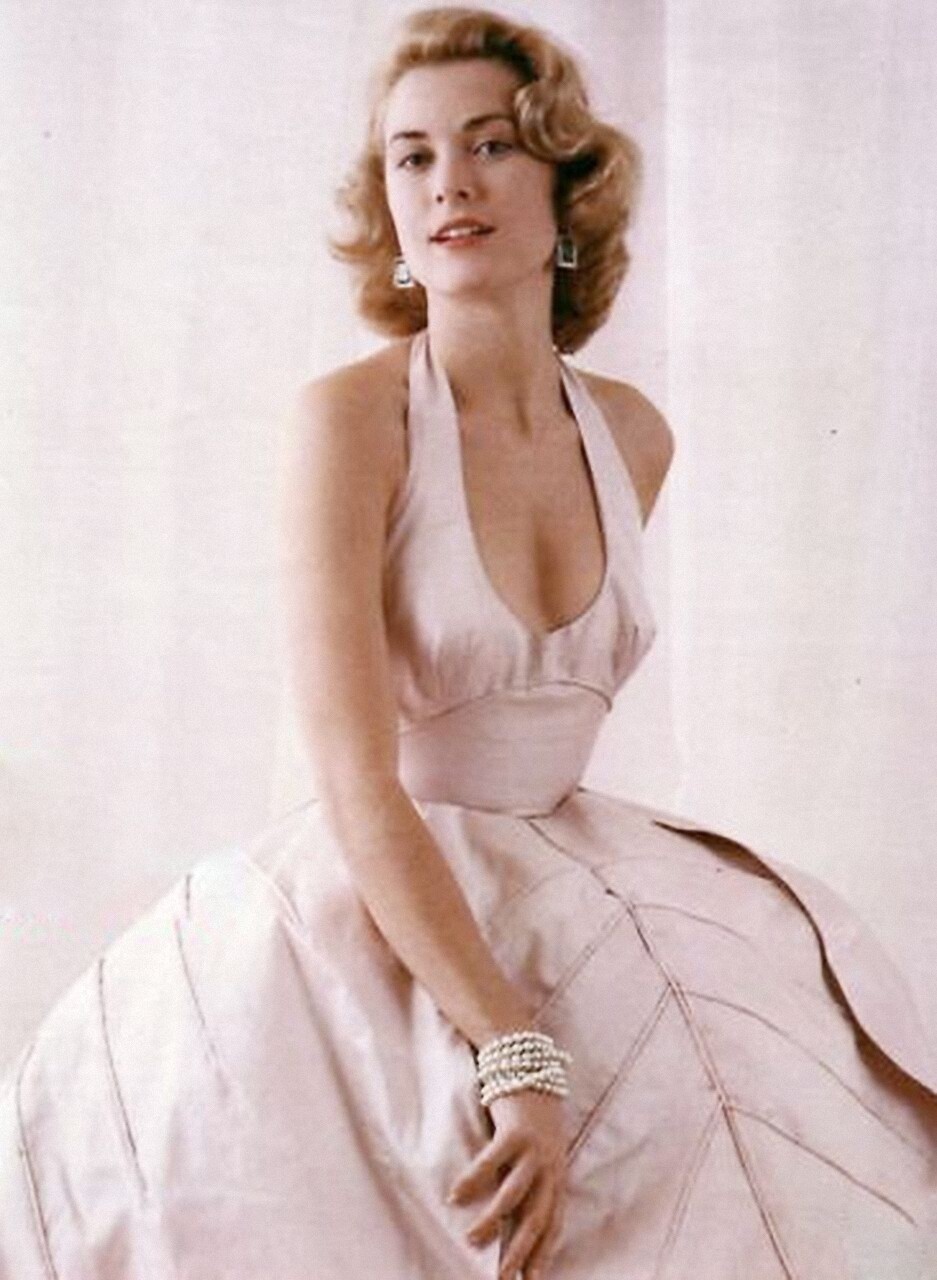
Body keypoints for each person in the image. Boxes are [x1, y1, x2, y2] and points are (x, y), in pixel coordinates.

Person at [2, 6, 936, 1278]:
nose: (448, 182)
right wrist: (512, 1045)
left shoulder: (634, 432)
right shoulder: (351, 420)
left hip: (586, 870)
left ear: (567, 188)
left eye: (491, 144)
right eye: (413, 155)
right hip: (384, 883)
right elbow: (353, 775)